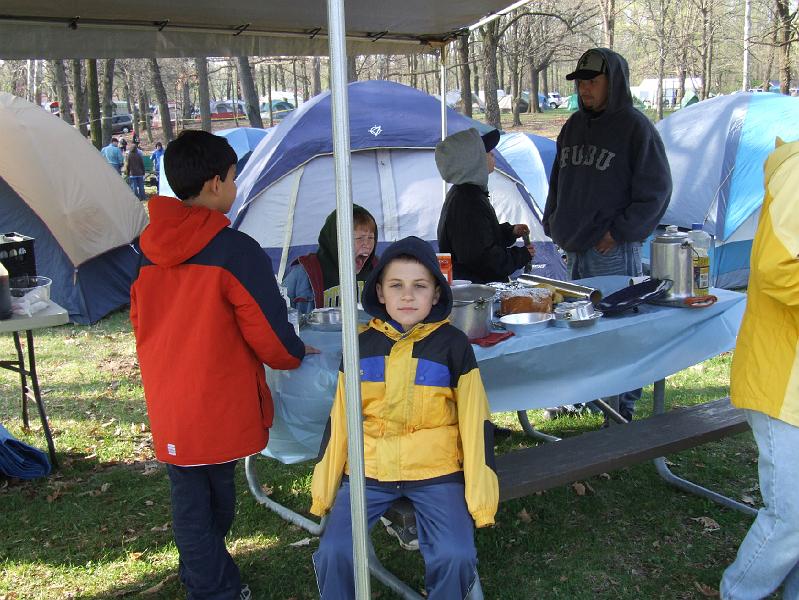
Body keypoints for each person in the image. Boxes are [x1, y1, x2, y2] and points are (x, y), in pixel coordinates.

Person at [130, 130, 318, 600]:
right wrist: (293, 353)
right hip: (217, 396)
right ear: (216, 183)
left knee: (204, 494)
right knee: (201, 504)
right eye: (234, 178)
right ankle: (212, 589)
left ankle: (203, 572)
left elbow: (139, 322)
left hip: (170, 394)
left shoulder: (145, 251)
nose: (235, 187)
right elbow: (268, 329)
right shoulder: (234, 250)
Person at [310, 236, 498, 599]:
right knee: (334, 552)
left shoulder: (453, 345)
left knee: (455, 555)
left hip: (435, 472)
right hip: (369, 471)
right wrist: (323, 491)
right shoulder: (360, 344)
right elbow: (341, 419)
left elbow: (476, 422)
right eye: (397, 285)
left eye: (419, 286)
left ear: (436, 294)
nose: (408, 296)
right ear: (380, 292)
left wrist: (481, 498)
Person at [542, 48, 672, 422]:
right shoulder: (571, 127)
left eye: (592, 82)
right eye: (580, 82)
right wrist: (553, 220)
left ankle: (621, 407)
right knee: (579, 327)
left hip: (611, 250)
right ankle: (583, 396)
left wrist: (619, 231)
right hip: (575, 249)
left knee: (618, 330)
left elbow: (657, 190)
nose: (584, 89)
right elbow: (559, 181)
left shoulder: (635, 128)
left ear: (612, 83)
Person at [720, 138, 799, 600]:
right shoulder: (795, 170)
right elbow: (777, 269)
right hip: (782, 379)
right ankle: (739, 593)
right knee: (791, 516)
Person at [436, 127, 534, 284]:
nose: (493, 154)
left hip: (476, 289)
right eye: (487, 152)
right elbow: (482, 259)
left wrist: (509, 232)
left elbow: (479, 238)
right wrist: (520, 255)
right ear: (474, 162)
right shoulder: (468, 202)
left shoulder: (467, 194)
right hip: (475, 294)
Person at [282, 205, 378, 314]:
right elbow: (277, 311)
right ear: (336, 239)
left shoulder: (377, 270)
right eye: (360, 238)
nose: (367, 245)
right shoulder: (304, 273)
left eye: (371, 238)